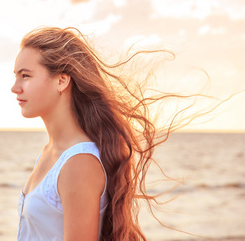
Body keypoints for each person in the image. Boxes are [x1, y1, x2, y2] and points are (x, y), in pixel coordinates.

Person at [11, 27, 184, 240]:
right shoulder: (51, 152)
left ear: (62, 81)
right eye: (16, 76)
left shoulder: (79, 163)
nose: (15, 87)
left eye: (25, 76)